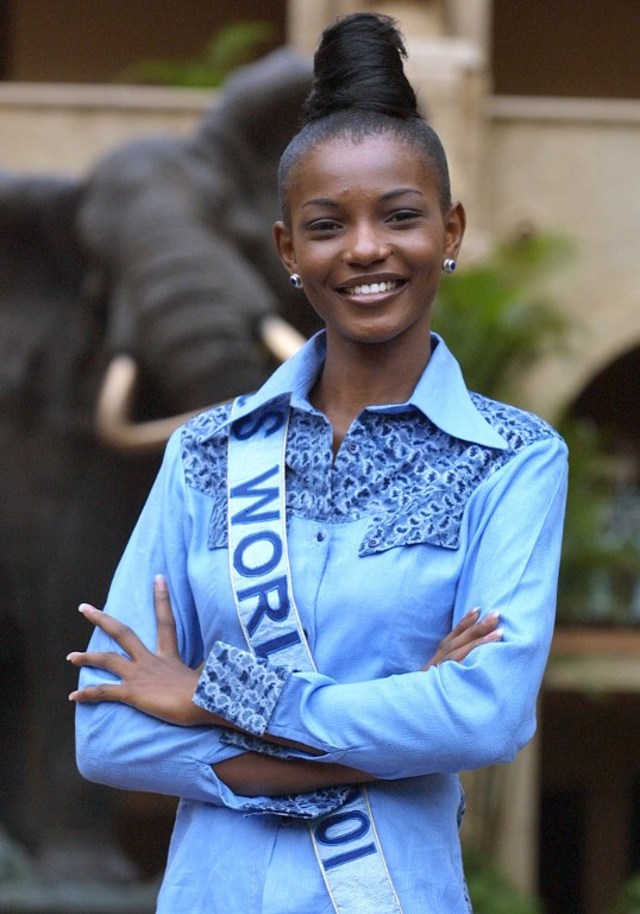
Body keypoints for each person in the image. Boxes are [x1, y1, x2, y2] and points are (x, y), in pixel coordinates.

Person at [68, 12, 568, 913]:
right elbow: (106, 733)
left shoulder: (515, 458)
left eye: (401, 217)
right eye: (328, 224)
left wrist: (214, 694)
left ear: (449, 231)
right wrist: (400, 719)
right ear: (287, 251)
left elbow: (487, 716)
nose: (367, 248)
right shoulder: (204, 451)